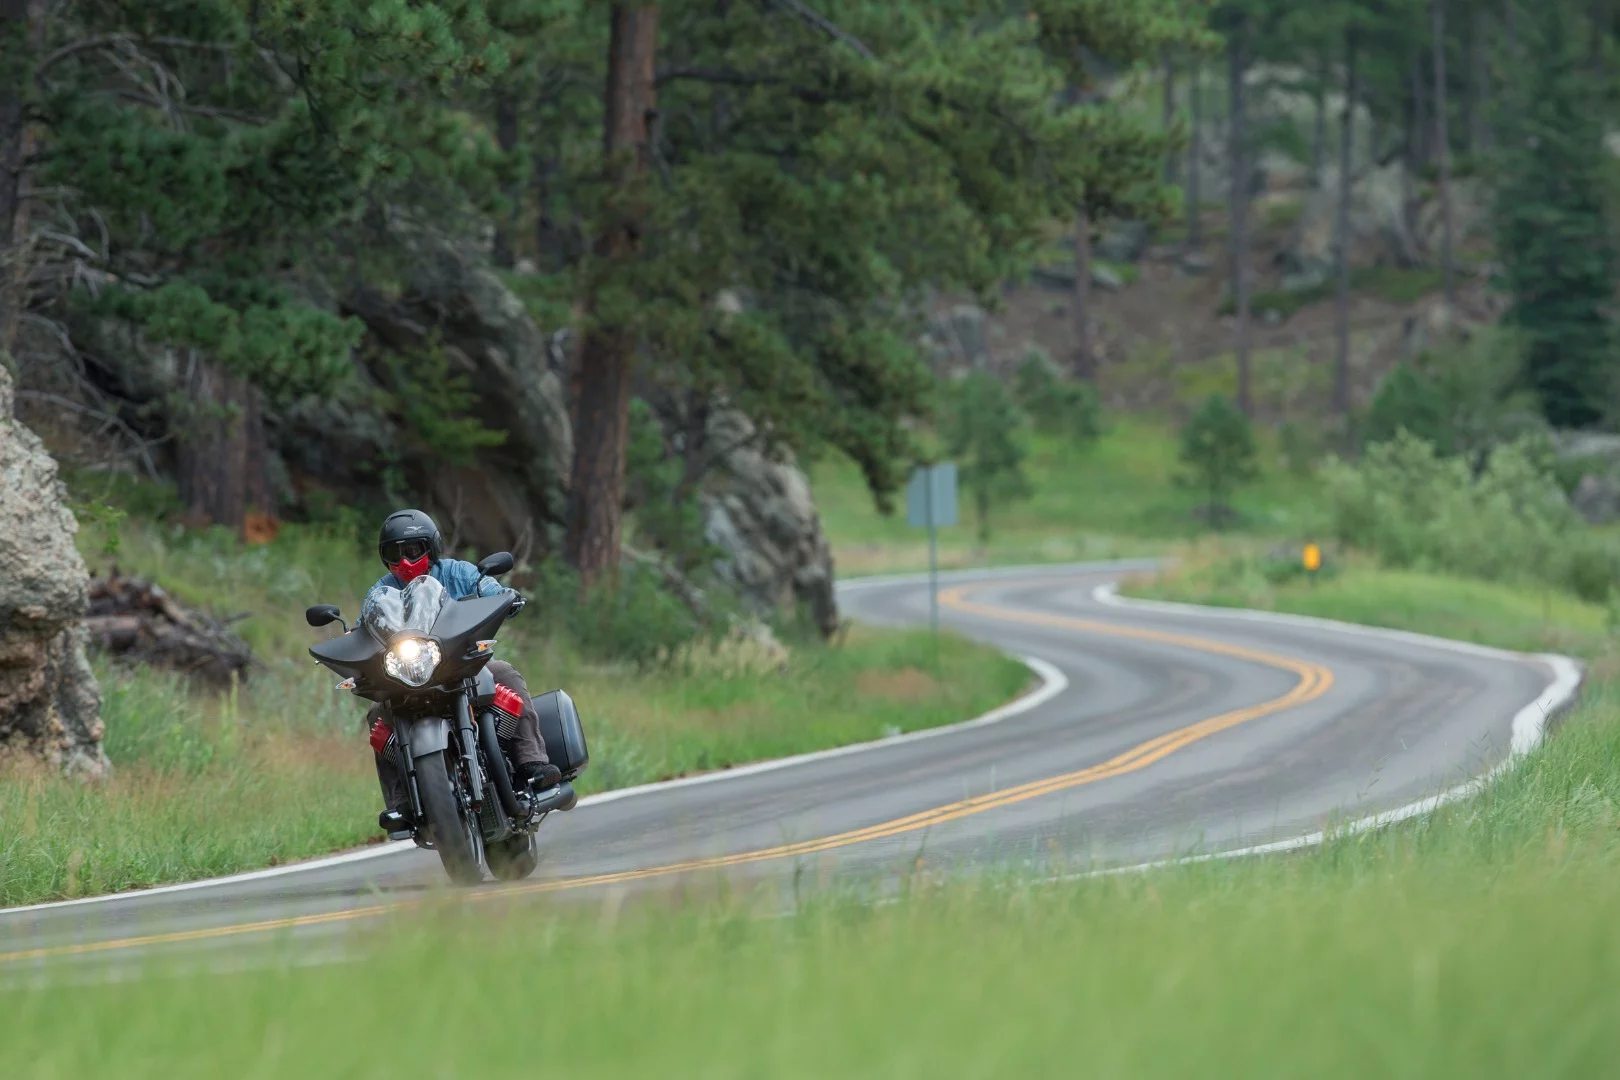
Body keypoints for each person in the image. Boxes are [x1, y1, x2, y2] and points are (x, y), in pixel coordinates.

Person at [364, 508, 560, 833]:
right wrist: (350, 640)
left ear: (431, 547)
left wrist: (504, 597)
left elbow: (489, 588)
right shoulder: (381, 592)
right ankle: (402, 805)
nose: (404, 561)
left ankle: (532, 763)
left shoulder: (456, 572)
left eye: (413, 550)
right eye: (394, 553)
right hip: (409, 676)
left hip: (460, 665)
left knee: (505, 673)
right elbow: (365, 627)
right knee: (377, 715)